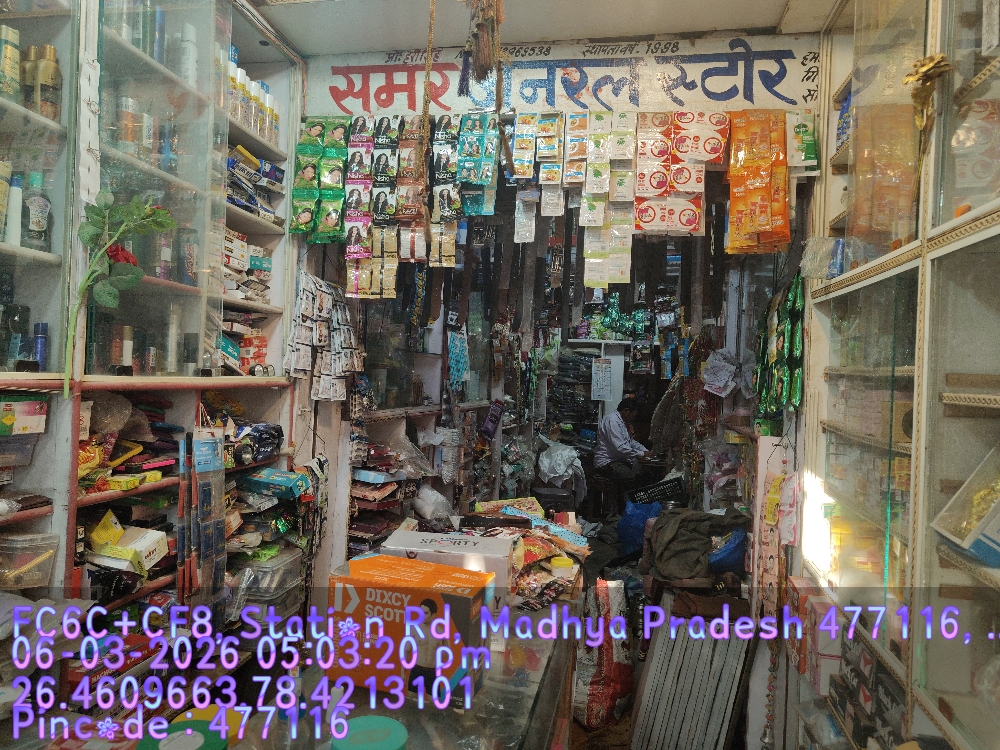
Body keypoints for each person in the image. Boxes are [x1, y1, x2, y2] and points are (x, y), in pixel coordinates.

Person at [593, 397, 650, 484]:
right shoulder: (612, 421)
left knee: (643, 473)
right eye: (633, 415)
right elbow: (620, 447)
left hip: (618, 460)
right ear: (626, 411)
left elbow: (631, 442)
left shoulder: (622, 422)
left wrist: (646, 451)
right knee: (632, 476)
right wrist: (642, 454)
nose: (633, 418)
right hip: (607, 462)